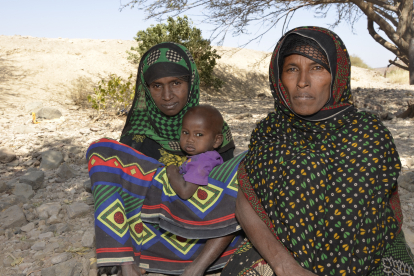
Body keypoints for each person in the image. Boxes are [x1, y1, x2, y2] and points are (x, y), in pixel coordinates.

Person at [221, 26, 414, 276]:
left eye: (317, 68)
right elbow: (247, 201)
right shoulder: (270, 133)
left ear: (337, 74)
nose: (302, 81)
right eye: (292, 69)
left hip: (367, 254)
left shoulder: (368, 135)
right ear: (278, 78)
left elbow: (368, 221)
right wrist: (284, 265)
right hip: (278, 249)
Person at [88, 42, 243, 276]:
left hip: (203, 234)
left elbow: (229, 199)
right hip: (155, 232)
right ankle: (123, 258)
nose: (167, 95)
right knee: (101, 151)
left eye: (176, 83)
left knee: (243, 172)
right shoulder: (138, 132)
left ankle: (195, 266)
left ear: (190, 84)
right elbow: (127, 193)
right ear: (146, 89)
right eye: (157, 86)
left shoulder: (213, 128)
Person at [167, 105, 226, 200]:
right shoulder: (209, 157)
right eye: (185, 132)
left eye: (199, 134)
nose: (189, 139)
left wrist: (171, 170)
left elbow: (185, 192)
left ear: (217, 141)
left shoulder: (202, 161)